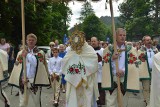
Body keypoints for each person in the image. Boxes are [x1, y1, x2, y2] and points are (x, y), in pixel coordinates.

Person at [8, 33, 50, 107]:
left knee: (37, 103)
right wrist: (21, 77)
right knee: (22, 103)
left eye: (32, 40)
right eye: (29, 40)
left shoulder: (40, 53)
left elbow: (36, 64)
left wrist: (27, 55)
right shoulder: (20, 53)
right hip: (23, 80)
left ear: (35, 41)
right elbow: (17, 66)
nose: (30, 41)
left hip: (35, 81)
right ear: (26, 41)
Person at [102, 28, 140, 107]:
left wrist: (123, 70)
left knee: (123, 102)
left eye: (124, 35)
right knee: (110, 103)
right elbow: (104, 65)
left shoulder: (131, 50)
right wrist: (111, 59)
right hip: (112, 79)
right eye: (120, 35)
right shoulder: (108, 50)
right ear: (115, 36)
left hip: (124, 78)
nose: (122, 37)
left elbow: (135, 64)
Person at [61, 31, 99, 107]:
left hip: (87, 80)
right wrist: (74, 63)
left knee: (87, 100)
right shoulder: (71, 50)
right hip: (73, 82)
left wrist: (82, 68)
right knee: (74, 99)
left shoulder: (89, 49)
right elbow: (64, 62)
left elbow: (94, 60)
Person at [139, 35, 158, 106]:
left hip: (155, 72)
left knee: (155, 88)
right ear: (144, 41)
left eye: (150, 40)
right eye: (147, 40)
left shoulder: (155, 50)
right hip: (145, 71)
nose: (149, 41)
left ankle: (154, 102)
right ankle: (148, 103)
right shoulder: (140, 50)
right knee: (146, 88)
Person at [91, 37, 105, 106]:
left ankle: (100, 103)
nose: (93, 42)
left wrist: (98, 65)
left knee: (100, 90)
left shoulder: (102, 50)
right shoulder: (89, 51)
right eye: (92, 41)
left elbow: (105, 61)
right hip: (92, 74)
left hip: (100, 73)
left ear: (98, 42)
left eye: (94, 41)